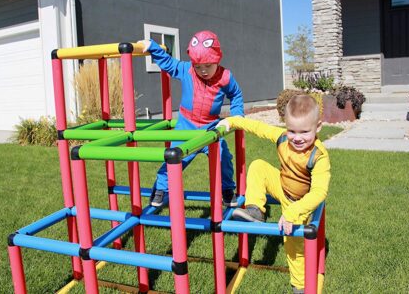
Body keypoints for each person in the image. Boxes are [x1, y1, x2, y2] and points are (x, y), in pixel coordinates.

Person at [217, 95, 330, 294]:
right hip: (282, 185)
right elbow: (256, 127)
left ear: (318, 127)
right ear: (285, 126)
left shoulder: (318, 156)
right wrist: (231, 121)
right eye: (292, 130)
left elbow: (319, 192)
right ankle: (255, 211)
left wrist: (293, 212)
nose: (297, 138)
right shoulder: (282, 138)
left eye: (304, 132)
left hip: (299, 200)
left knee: (293, 246)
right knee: (258, 166)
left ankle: (299, 285)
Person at [139, 30, 244, 208]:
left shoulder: (225, 77)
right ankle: (162, 188)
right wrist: (153, 48)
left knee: (223, 157)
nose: (203, 71)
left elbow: (236, 95)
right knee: (173, 159)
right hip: (186, 127)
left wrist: (236, 115)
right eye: (198, 66)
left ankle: (227, 189)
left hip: (210, 128)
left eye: (208, 66)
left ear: (217, 59)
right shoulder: (187, 70)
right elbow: (168, 63)